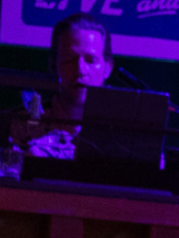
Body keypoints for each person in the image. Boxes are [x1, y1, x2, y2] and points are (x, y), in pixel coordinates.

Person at [12, 12, 114, 161]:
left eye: (90, 60)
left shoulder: (123, 131)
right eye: (69, 60)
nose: (80, 70)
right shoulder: (21, 125)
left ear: (107, 68)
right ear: (54, 65)